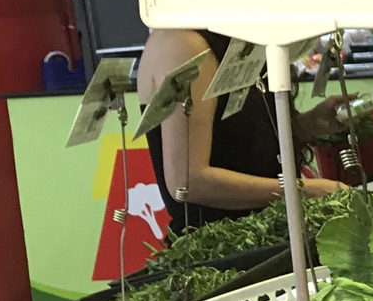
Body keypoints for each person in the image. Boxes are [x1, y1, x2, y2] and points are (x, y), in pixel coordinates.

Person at [136, 28, 346, 232]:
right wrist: (302, 190)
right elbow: (188, 181)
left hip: (263, 228)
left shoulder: (236, 36)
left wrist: (305, 126)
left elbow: (235, 144)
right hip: (218, 243)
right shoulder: (182, 45)